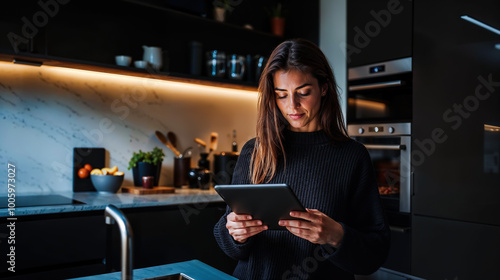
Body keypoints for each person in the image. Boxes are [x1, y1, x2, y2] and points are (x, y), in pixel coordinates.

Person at [213, 39, 390, 280]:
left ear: (324, 87)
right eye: (281, 95)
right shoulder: (254, 151)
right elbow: (230, 244)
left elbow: (375, 252)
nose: (291, 106)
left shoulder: (352, 156)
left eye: (303, 93)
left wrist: (336, 235)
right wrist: (236, 233)